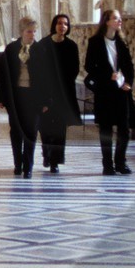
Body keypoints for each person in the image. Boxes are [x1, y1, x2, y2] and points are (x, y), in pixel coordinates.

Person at [85, 8, 135, 175]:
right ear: (107, 21)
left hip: (121, 91)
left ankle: (120, 162)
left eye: (120, 18)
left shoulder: (122, 42)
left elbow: (129, 66)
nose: (119, 21)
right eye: (116, 18)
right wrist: (108, 76)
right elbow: (89, 66)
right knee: (106, 129)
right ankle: (107, 164)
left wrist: (128, 82)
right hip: (105, 91)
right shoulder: (95, 42)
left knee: (124, 129)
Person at [32, 13, 80, 171]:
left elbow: (74, 69)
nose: (62, 26)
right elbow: (37, 70)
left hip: (63, 93)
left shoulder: (71, 46)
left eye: (65, 24)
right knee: (45, 127)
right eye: (59, 23)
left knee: (59, 128)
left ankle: (55, 161)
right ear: (54, 25)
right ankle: (47, 152)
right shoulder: (43, 45)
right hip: (45, 92)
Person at [0, 18, 41, 177]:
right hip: (15, 96)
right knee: (16, 130)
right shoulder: (11, 49)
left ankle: (28, 166)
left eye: (34, 31)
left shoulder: (40, 50)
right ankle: (18, 163)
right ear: (21, 32)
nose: (32, 35)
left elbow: (47, 77)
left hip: (33, 96)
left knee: (31, 131)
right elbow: (1, 74)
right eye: (29, 31)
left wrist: (47, 100)